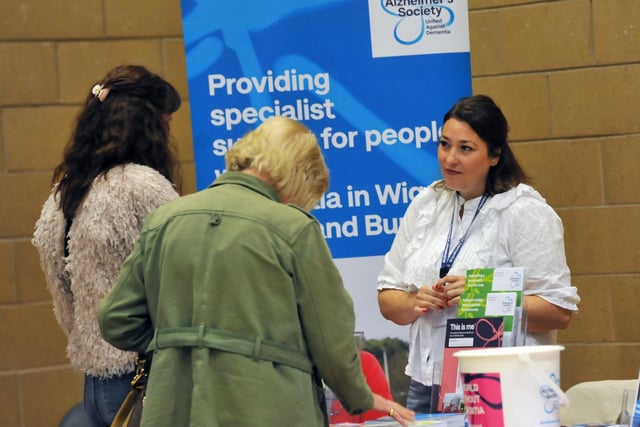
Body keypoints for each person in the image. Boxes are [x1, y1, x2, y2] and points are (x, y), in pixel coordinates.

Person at [97, 116, 415, 427]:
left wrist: (178, 343)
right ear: (298, 174)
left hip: (174, 407)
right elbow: (331, 341)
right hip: (269, 407)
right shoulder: (293, 229)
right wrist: (362, 398)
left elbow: (116, 319)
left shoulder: (163, 221)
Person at [376, 95, 580, 413]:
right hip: (426, 383)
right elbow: (388, 299)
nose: (450, 158)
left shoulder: (523, 210)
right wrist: (416, 302)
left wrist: (481, 294)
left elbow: (558, 312)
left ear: (494, 155)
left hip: (501, 386)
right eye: (444, 144)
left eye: (465, 148)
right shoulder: (425, 205)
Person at [32, 64, 182, 427]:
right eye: (166, 118)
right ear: (148, 123)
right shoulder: (143, 187)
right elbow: (181, 276)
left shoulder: (63, 193)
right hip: (144, 378)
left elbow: (62, 292)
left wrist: (92, 340)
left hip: (95, 384)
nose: (170, 128)